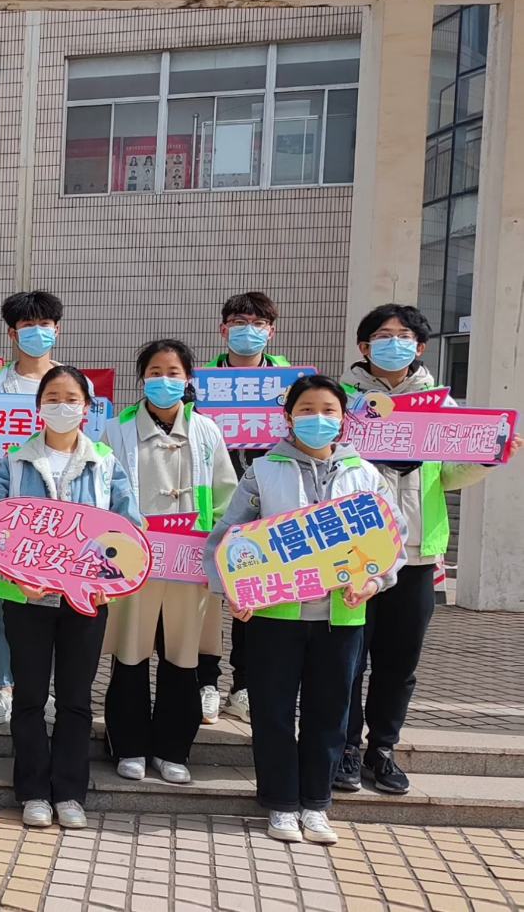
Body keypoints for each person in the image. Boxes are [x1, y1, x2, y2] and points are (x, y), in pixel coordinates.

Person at [205, 375, 405, 845]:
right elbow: (227, 538)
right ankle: (280, 804)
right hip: (275, 617)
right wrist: (232, 590)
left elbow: (392, 537)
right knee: (272, 712)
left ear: (343, 418)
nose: (319, 419)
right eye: (308, 409)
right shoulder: (262, 471)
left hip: (341, 617)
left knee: (330, 713)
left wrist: (375, 581)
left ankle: (316, 803)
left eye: (329, 410)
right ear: (289, 416)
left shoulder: (364, 474)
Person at [335, 305, 524, 795]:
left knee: (399, 663)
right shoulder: (343, 401)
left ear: (419, 347)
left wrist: (488, 459)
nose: (392, 343)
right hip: (351, 554)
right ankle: (345, 748)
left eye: (403, 336)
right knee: (347, 658)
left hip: (417, 553)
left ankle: (382, 749)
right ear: (364, 347)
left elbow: (451, 474)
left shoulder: (441, 405)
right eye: (382, 335)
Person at [0, 366, 140, 829]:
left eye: (71, 399)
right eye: (52, 398)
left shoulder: (105, 462)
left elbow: (130, 528)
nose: (62, 406)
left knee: (75, 698)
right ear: (38, 407)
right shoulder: (14, 461)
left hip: (86, 602)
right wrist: (13, 575)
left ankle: (69, 792)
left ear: (87, 408)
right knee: (29, 697)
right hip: (25, 599)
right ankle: (32, 791)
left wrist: (105, 582)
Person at [103, 339, 237, 784]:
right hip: (135, 561)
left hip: (190, 564)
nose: (164, 380)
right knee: (130, 653)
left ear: (188, 379)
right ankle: (128, 746)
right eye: (155, 372)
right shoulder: (117, 430)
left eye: (173, 372)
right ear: (142, 378)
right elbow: (103, 493)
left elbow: (227, 497)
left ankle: (173, 749)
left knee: (184, 657)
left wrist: (216, 548)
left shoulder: (207, 431)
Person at [0, 290, 89, 728]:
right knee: (4, 599)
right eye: (27, 325)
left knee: (62, 608)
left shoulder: (73, 384)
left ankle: (52, 691)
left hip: (66, 519)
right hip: (11, 514)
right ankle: (3, 688)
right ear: (11, 333)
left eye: (44, 324)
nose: (37, 333)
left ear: (56, 330)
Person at [197, 292, 291, 727]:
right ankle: (205, 683)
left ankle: (244, 686)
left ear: (271, 332)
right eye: (238, 322)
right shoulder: (199, 383)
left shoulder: (289, 383)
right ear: (223, 329)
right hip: (211, 502)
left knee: (252, 593)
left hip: (268, 505)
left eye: (258, 323)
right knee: (204, 597)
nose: (247, 330)